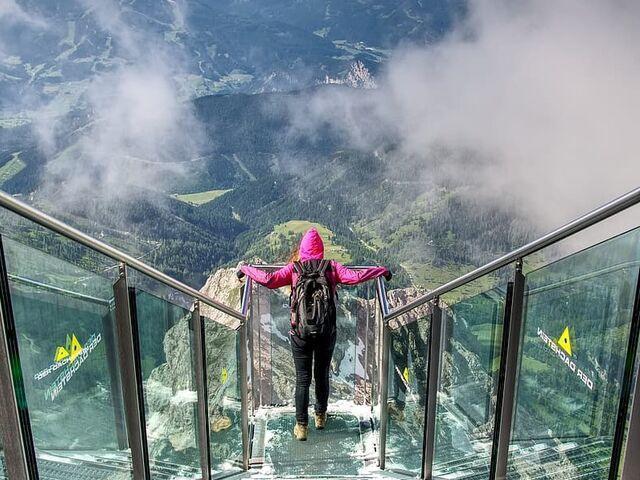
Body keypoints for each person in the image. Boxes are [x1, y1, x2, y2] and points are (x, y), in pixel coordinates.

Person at [237, 227, 391, 441]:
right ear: (320, 250)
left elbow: (269, 280)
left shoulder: (294, 269)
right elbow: (356, 277)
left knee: (302, 379)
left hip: (300, 332)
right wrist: (380, 271)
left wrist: (246, 269)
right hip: (326, 333)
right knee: (321, 375)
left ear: (302, 250)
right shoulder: (331, 267)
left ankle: (301, 427)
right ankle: (320, 416)